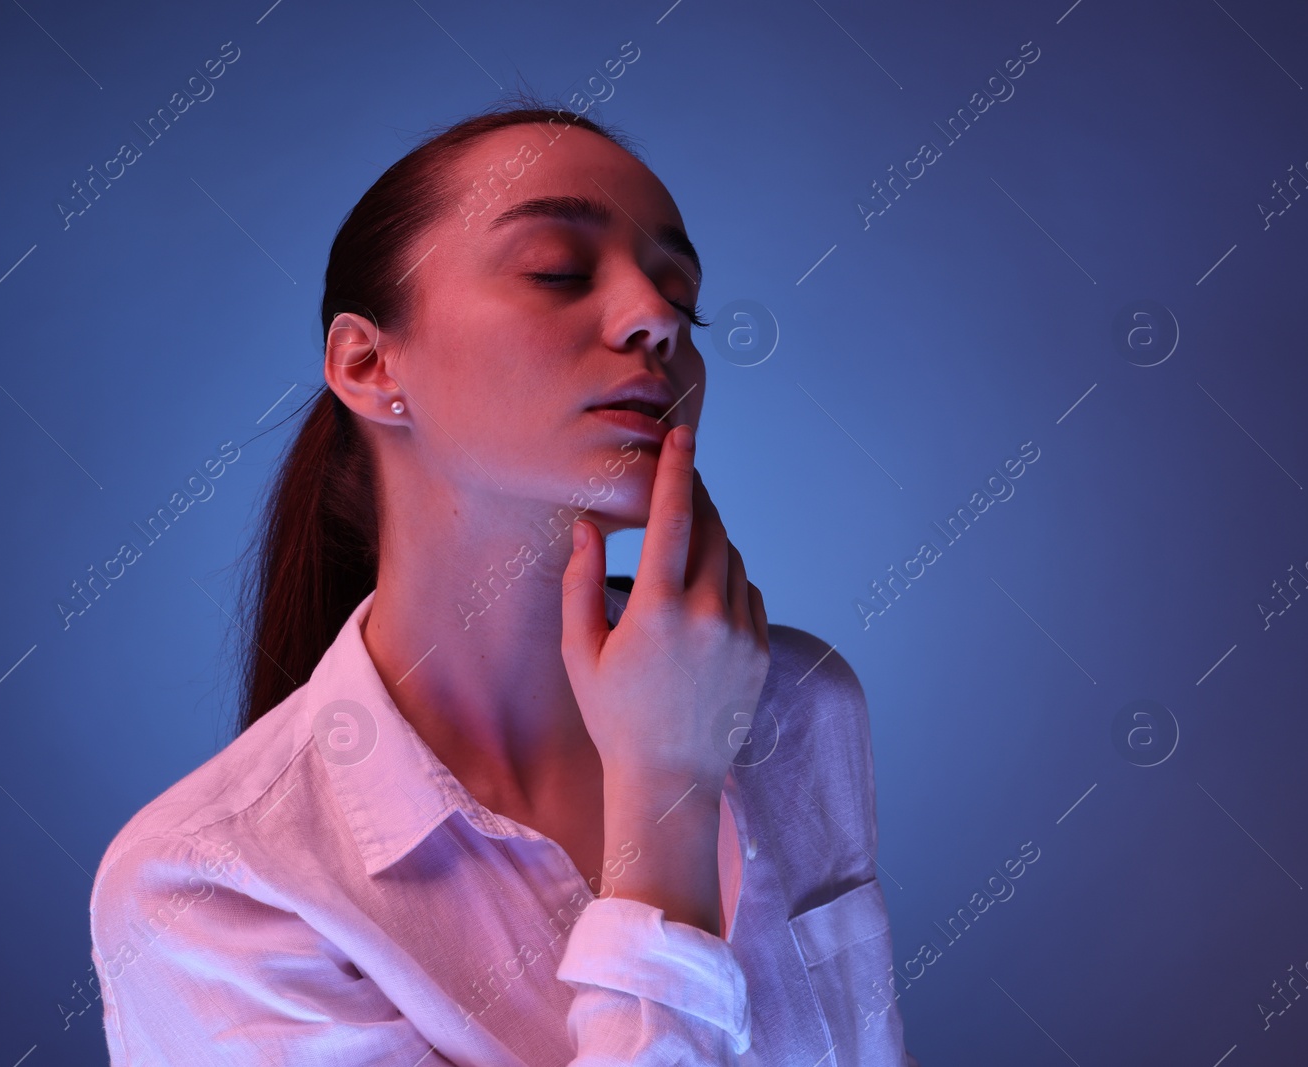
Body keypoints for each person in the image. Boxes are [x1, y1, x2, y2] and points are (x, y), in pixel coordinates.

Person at [88, 97, 920, 1065]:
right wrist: (663, 800)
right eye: (557, 271)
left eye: (682, 300)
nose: (656, 319)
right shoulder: (207, 886)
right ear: (367, 362)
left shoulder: (799, 708)